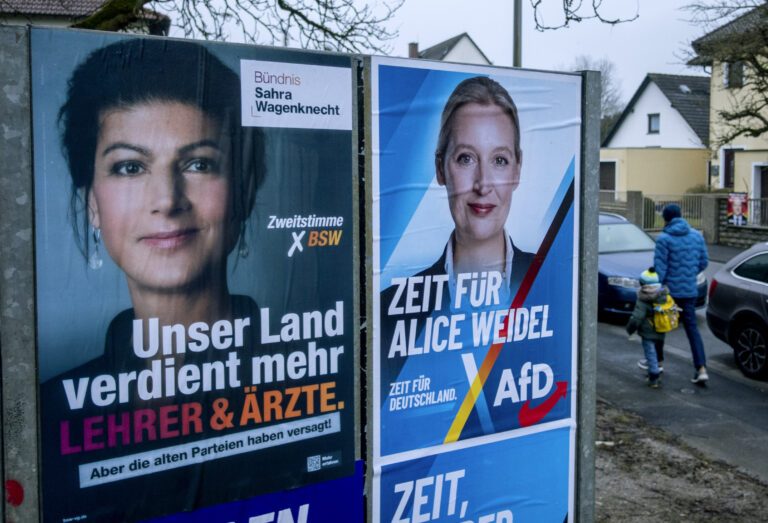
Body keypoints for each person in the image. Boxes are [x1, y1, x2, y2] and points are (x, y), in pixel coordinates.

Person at [40, 37, 276, 521]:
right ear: (91, 203)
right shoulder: (48, 416)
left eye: (198, 163)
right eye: (130, 166)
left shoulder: (308, 377)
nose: (167, 200)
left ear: (243, 192)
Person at [379, 76, 535, 426]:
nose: (483, 185)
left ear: (518, 168)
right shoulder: (390, 310)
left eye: (499, 160)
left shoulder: (550, 283)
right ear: (440, 168)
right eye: (466, 158)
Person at [654, 203, 709, 385]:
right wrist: (689, 275)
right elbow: (703, 262)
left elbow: (660, 269)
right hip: (689, 291)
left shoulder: (664, 239)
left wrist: (661, 287)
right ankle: (701, 368)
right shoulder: (696, 236)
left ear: (666, 218)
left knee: (661, 326)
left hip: (670, 292)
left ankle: (658, 364)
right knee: (692, 329)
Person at [626, 268, 668, 388]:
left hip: (647, 331)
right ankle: (656, 368)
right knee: (657, 349)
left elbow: (637, 317)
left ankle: (653, 376)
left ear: (643, 284)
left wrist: (630, 329)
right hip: (661, 328)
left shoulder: (643, 298)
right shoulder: (663, 294)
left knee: (650, 352)